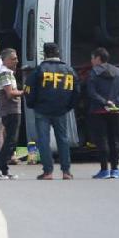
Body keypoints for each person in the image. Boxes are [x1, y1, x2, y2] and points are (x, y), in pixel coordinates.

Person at [24, 42, 80, 180]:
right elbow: (77, 92)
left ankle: (48, 171)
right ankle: (66, 171)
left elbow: (28, 89)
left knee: (43, 140)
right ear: (58, 53)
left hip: (42, 110)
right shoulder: (69, 70)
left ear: (44, 54)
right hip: (61, 111)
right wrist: (68, 107)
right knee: (63, 139)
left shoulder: (39, 70)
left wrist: (31, 104)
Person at [86, 47, 119, 179]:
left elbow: (91, 92)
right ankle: (115, 169)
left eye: (92, 58)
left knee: (102, 140)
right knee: (114, 139)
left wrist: (104, 102)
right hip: (115, 111)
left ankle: (104, 169)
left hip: (98, 111)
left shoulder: (93, 73)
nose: (91, 61)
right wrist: (114, 102)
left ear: (98, 58)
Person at [0, 49, 24, 180]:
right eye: (13, 58)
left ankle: (4, 170)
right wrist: (23, 92)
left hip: (11, 110)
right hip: (10, 110)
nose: (17, 61)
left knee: (10, 140)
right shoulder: (4, 72)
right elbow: (9, 93)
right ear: (5, 60)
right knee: (10, 141)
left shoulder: (8, 72)